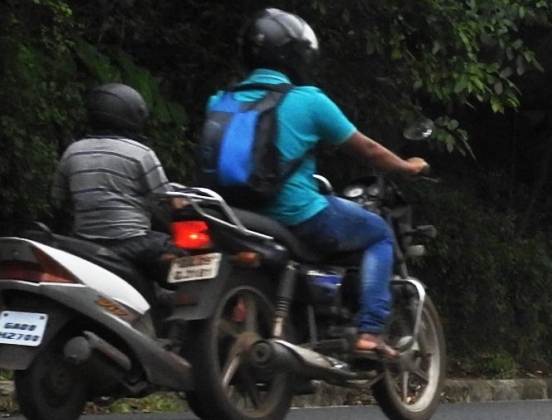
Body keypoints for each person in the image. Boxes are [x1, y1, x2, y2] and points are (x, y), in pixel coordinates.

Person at [216, 9, 427, 359]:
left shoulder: (221, 101)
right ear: (294, 56)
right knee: (377, 233)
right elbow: (370, 151)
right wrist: (407, 166)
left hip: (236, 216)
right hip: (296, 215)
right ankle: (370, 331)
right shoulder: (308, 100)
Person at [50, 84, 174, 279]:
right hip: (133, 243)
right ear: (132, 114)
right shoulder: (140, 153)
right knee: (182, 254)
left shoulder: (72, 151)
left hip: (83, 244)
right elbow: (167, 200)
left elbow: (59, 199)